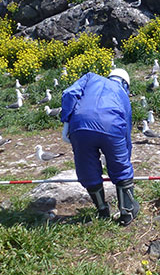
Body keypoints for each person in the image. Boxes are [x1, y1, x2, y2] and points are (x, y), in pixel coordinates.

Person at [60, 68, 139, 225]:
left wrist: (66, 120)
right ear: (126, 84)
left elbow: (69, 93)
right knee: (120, 167)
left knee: (87, 169)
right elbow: (126, 133)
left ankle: (102, 210)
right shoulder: (123, 95)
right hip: (112, 126)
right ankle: (127, 212)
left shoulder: (90, 77)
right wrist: (125, 157)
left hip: (80, 126)